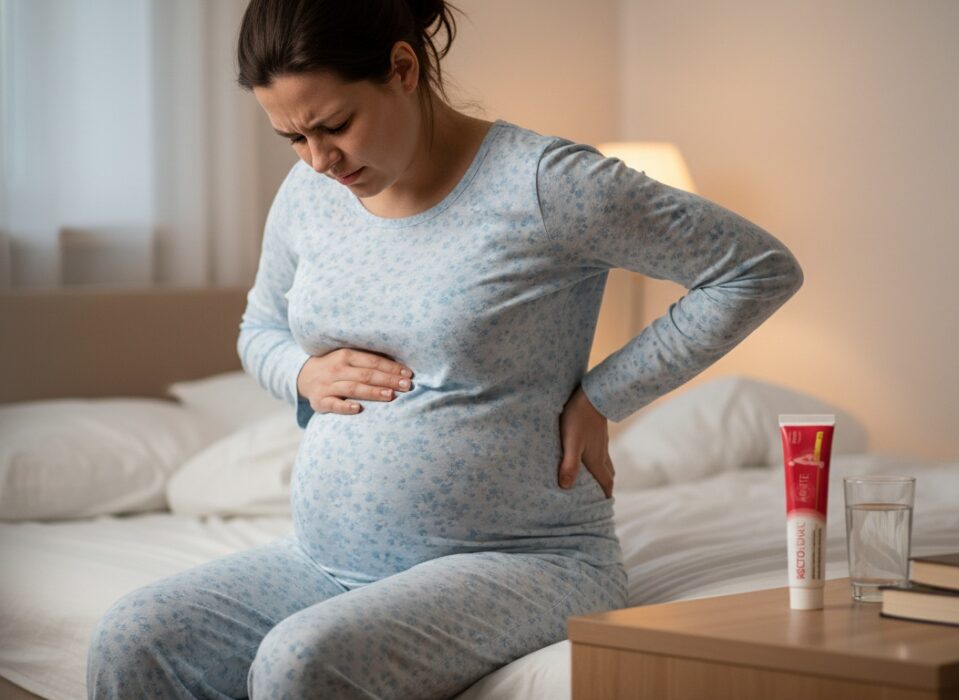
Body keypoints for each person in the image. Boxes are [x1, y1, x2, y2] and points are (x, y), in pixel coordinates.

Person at [87, 0, 803, 697]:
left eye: (335, 126)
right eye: (293, 139)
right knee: (134, 634)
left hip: (524, 560)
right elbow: (259, 328)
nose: (317, 160)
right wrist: (301, 373)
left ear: (402, 68)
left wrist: (604, 394)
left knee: (301, 663)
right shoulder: (309, 194)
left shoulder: (547, 185)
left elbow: (754, 270)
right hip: (324, 562)